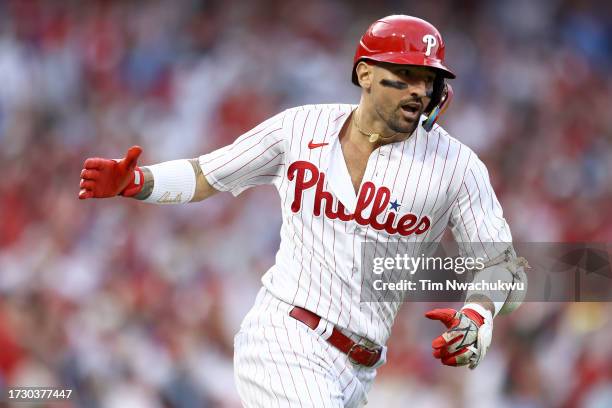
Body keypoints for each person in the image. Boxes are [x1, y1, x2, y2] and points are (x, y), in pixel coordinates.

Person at [78, 15, 527, 408]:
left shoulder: (457, 166)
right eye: (405, 74)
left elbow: (504, 265)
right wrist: (138, 183)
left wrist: (479, 316)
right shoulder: (300, 127)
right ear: (366, 73)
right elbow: (207, 174)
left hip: (360, 369)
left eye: (428, 79)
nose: (418, 90)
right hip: (285, 336)